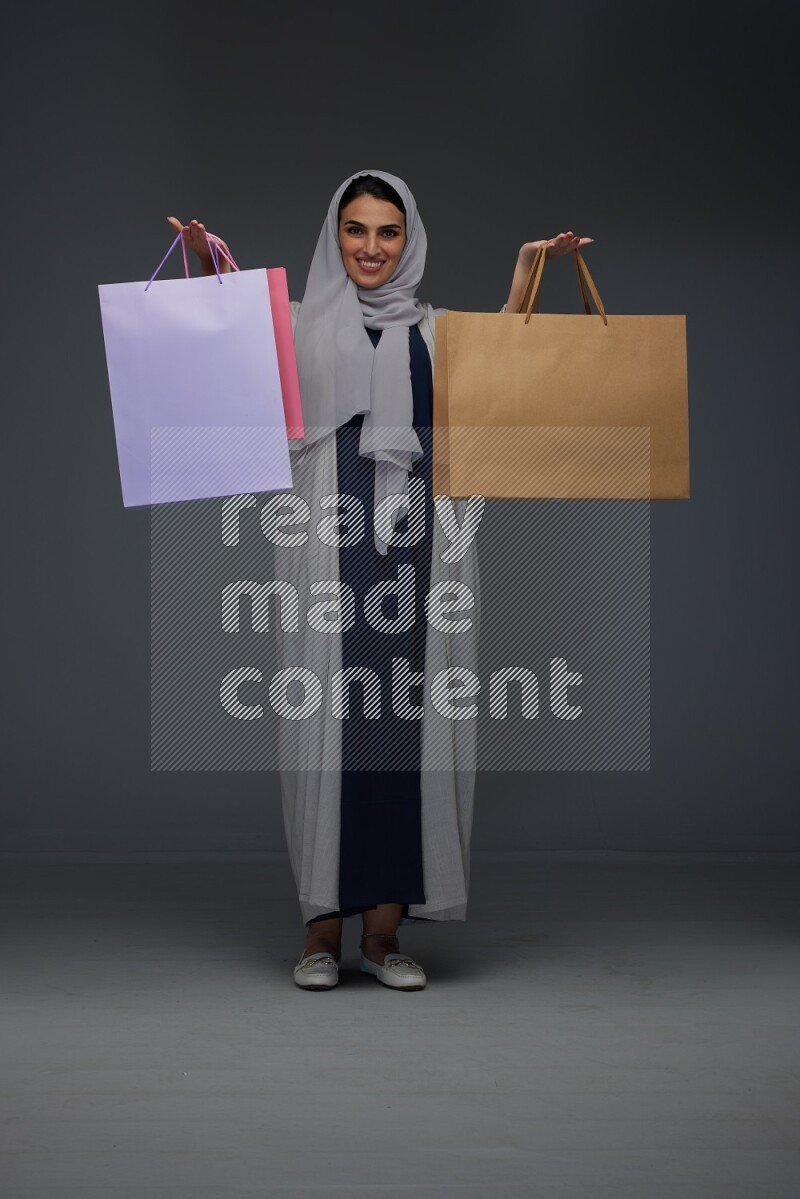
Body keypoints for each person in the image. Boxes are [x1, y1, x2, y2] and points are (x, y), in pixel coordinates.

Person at [168, 169, 591, 992]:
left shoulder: (434, 330)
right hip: (325, 549)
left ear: (409, 240)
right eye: (356, 230)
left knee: (408, 728)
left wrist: (523, 281)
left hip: (422, 553)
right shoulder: (297, 324)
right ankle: (320, 931)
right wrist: (209, 264)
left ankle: (386, 933)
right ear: (336, 236)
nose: (370, 247)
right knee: (323, 727)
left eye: (387, 232)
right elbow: (230, 341)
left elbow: (501, 371)